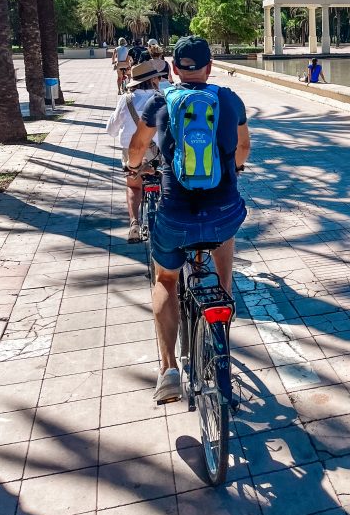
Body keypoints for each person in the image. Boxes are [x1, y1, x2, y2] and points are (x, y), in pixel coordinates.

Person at [127, 36, 251, 404]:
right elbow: (243, 148)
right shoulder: (229, 99)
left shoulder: (160, 101)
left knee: (166, 279)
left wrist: (133, 168)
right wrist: (234, 167)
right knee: (223, 231)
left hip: (174, 213)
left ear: (175, 70)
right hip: (223, 208)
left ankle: (168, 370)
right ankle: (223, 300)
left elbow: (137, 148)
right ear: (209, 67)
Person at [105, 60, 162, 241]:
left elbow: (111, 130)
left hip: (132, 153)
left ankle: (134, 223)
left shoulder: (126, 100)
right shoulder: (163, 98)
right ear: (154, 79)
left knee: (133, 185)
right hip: (158, 153)